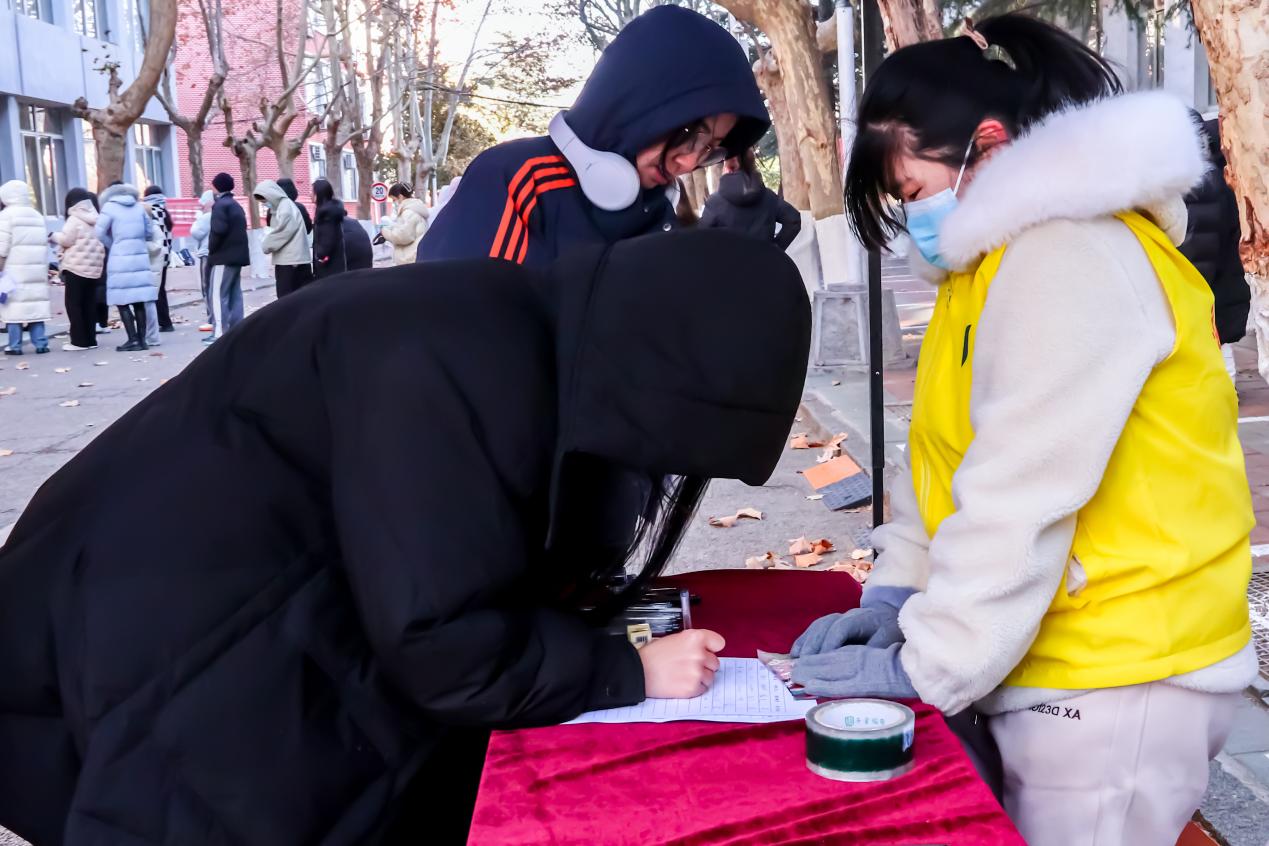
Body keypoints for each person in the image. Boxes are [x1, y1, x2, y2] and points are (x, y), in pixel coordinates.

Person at [0, 228, 811, 846]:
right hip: (163, 648)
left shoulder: (510, 325)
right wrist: (624, 671)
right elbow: (441, 641)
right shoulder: (458, 363)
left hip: (189, 610)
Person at [788, 15, 1256, 846]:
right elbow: (942, 463)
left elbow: (1021, 490)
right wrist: (897, 593)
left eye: (912, 191)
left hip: (1119, 667)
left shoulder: (1066, 252)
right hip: (1063, 659)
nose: (912, 218)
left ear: (989, 144)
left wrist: (929, 659)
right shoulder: (984, 269)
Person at [416, 5, 768, 266]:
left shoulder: (662, 215)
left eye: (709, 149)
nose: (689, 162)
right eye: (689, 133)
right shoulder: (515, 180)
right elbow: (456, 324)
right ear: (639, 104)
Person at [1180, 115, 1249, 381]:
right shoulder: (1222, 170)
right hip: (1225, 275)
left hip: (1200, 279)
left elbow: (1196, 242)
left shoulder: (1191, 180)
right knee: (1220, 342)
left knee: (1208, 341)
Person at [96, 182, 157, 352]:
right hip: (140, 258)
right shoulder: (138, 207)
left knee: (122, 301)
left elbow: (99, 233)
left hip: (119, 259)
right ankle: (142, 340)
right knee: (139, 300)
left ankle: (132, 339)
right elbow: (149, 232)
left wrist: (114, 244)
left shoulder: (109, 207)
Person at [699, 148, 801, 250]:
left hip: (728, 259)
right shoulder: (769, 196)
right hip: (764, 259)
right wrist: (775, 249)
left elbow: (701, 236)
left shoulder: (715, 202)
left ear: (728, 168)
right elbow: (793, 220)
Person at [0, 180, 52, 355]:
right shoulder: (37, 215)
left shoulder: (6, 216)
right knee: (35, 306)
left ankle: (15, 346)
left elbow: (2, 247)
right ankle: (41, 343)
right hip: (36, 269)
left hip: (13, 269)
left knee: (14, 308)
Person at [51, 187, 106, 351]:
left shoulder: (74, 219)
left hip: (76, 268)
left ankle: (78, 341)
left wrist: (53, 236)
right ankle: (90, 339)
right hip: (94, 268)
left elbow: (66, 240)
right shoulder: (96, 218)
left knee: (74, 304)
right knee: (89, 304)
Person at [207, 172, 250, 342]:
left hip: (223, 257)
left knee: (218, 294)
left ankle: (219, 332)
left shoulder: (220, 206)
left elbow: (218, 230)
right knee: (235, 293)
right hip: (237, 257)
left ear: (218, 187)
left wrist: (211, 250)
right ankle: (237, 330)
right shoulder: (235, 205)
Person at [254, 179, 313, 297]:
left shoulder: (285, 208)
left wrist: (266, 244)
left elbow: (284, 232)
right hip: (290, 259)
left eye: (265, 200)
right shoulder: (279, 207)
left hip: (291, 261)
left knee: (287, 297)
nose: (265, 204)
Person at [143, 185, 175, 336]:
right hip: (165, 256)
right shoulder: (164, 211)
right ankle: (165, 321)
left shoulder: (152, 212)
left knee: (156, 291)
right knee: (161, 289)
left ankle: (164, 322)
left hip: (155, 256)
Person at [379, 183, 429, 266]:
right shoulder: (414, 209)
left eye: (394, 199)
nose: (394, 203)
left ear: (400, 196)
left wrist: (384, 232)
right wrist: (392, 227)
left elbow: (402, 236)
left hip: (409, 260)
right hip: (414, 257)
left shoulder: (409, 212)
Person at [189, 189, 215, 331]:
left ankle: (211, 318)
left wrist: (198, 220)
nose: (201, 206)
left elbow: (196, 233)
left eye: (203, 203)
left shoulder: (206, 217)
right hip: (212, 252)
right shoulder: (217, 214)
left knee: (206, 286)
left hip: (205, 253)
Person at [312, 178, 347, 278]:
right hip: (333, 265)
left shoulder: (327, 215)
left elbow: (327, 238)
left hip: (328, 267)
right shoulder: (328, 211)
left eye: (312, 191)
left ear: (319, 193)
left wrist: (320, 257)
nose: (310, 194)